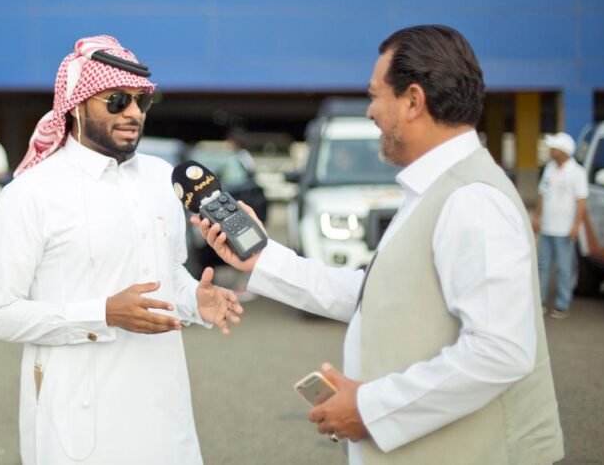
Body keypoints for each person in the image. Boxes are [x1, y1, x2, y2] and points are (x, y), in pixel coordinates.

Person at [195, 25, 564, 464]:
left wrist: (369, 409)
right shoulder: (438, 190)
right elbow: (377, 297)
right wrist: (262, 258)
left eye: (375, 95)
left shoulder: (471, 200)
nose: (370, 111)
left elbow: (500, 351)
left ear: (413, 100)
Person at [0, 35, 243, 465]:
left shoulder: (161, 178)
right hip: (80, 423)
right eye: (117, 100)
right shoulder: (29, 195)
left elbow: (168, 273)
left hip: (164, 415)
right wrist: (102, 314)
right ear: (76, 106)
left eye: (142, 101)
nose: (134, 113)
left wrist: (194, 299)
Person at [533, 132, 588, 320]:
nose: (551, 151)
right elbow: (542, 194)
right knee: (542, 266)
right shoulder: (549, 169)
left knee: (564, 269)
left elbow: (581, 201)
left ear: (563, 151)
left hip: (564, 230)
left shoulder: (577, 172)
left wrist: (576, 225)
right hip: (547, 228)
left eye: (554, 148)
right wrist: (537, 217)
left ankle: (562, 304)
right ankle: (539, 302)